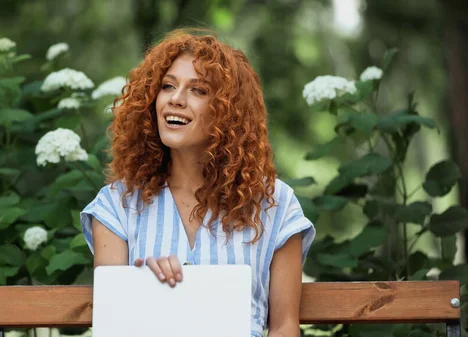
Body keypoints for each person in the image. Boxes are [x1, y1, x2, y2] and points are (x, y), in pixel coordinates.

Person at [80, 28, 315, 337]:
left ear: (229, 113)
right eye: (167, 86)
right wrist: (143, 289)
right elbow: (113, 326)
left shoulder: (275, 204)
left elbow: (285, 326)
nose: (175, 99)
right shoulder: (116, 205)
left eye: (198, 90)